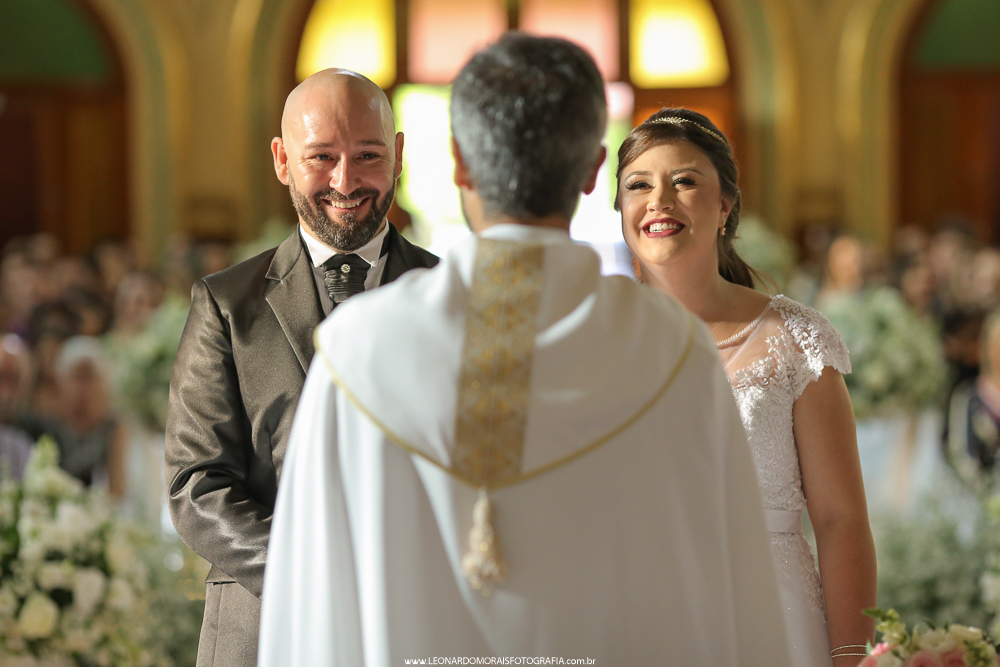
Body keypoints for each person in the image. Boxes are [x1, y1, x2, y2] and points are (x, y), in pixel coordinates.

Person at [259, 34, 790, 666]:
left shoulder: (358, 353)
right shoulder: (672, 349)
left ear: (456, 162)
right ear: (595, 171)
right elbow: (735, 597)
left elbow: (312, 614)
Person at [165, 69, 437, 667]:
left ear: (398, 157)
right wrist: (313, 575)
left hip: (423, 622)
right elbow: (196, 481)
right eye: (322, 156)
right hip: (264, 626)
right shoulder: (225, 304)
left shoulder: (451, 296)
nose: (346, 180)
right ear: (283, 160)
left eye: (367, 155)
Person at [615, 108, 876, 666]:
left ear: (726, 205)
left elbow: (840, 519)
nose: (659, 200)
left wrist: (853, 656)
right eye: (639, 185)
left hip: (775, 622)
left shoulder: (798, 338)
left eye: (684, 181)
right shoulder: (591, 336)